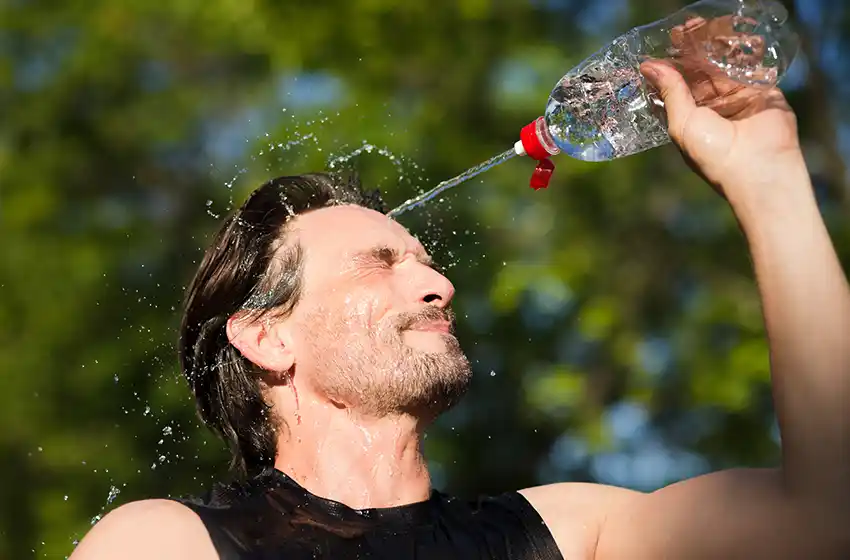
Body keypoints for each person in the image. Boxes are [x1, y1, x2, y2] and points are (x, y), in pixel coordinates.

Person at [70, 54, 850, 559]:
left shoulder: (562, 534)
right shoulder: (171, 543)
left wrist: (770, 181)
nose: (438, 286)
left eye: (428, 263)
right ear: (268, 338)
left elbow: (828, 514)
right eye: (380, 266)